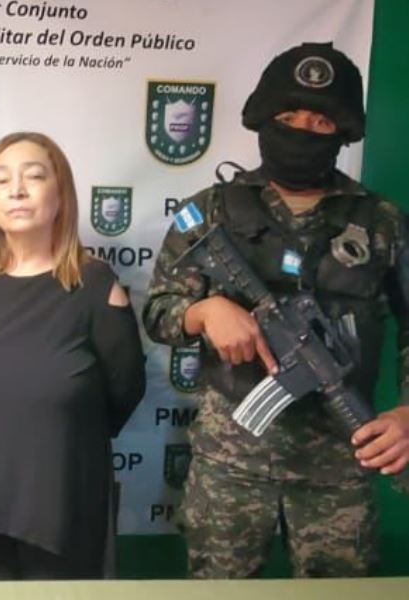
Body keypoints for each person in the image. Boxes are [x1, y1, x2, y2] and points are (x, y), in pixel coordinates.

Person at [143, 42, 409, 578]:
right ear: (264, 119)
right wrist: (205, 311)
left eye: (320, 122)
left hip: (339, 465)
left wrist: (407, 412)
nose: (302, 132)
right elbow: (158, 312)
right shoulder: (211, 212)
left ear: (342, 132)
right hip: (230, 464)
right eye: (288, 118)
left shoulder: (381, 222)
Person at [0, 132, 146, 580]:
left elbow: (124, 391)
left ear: (61, 195)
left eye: (34, 177)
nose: (17, 190)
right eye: (1, 181)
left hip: (61, 514)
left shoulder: (96, 287)